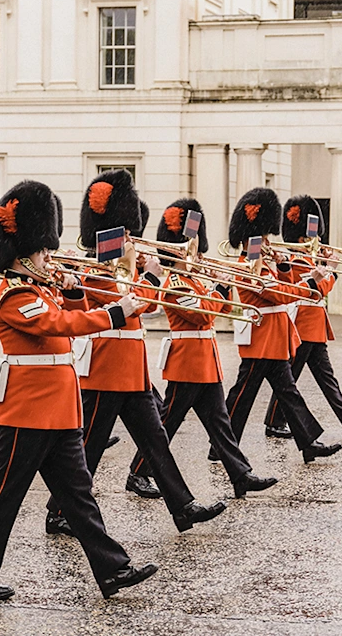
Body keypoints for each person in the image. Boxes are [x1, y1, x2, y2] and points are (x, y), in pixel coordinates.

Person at [0, 180, 157, 601]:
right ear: (23, 256)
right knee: (4, 496)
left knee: (79, 497)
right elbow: (58, 326)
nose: (49, 257)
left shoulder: (40, 291)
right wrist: (115, 314)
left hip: (59, 410)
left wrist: (75, 292)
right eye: (42, 251)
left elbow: (69, 312)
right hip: (29, 412)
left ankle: (112, 570)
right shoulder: (13, 296)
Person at [44, 169, 226, 536]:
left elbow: (147, 308)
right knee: (88, 447)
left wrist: (146, 275)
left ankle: (183, 506)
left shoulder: (123, 266)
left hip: (132, 371)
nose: (130, 237)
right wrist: (151, 278)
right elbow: (123, 305)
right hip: (107, 367)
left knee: (156, 439)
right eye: (125, 230)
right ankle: (59, 510)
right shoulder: (94, 268)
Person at [126, 200, 278, 500]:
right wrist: (220, 289)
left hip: (204, 360)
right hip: (187, 362)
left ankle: (240, 475)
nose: (194, 252)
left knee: (219, 423)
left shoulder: (193, 279)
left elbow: (212, 311)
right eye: (188, 247)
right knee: (167, 423)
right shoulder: (176, 284)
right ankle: (138, 472)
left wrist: (216, 289)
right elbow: (203, 315)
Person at [221, 188, 342, 463]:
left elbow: (283, 288)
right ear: (252, 238)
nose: (267, 242)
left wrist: (285, 267)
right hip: (260, 338)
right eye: (263, 237)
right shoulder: (248, 265)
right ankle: (221, 445)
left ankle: (309, 442)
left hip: (274, 338)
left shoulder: (263, 264)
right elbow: (279, 295)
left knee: (289, 393)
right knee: (241, 396)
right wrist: (311, 281)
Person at [263, 195, 342, 439]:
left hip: (314, 325)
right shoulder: (296, 258)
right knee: (289, 379)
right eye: (312, 234)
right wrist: (332, 272)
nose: (317, 238)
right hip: (303, 324)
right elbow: (317, 290)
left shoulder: (307, 257)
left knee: (326, 379)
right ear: (302, 235)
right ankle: (274, 422)